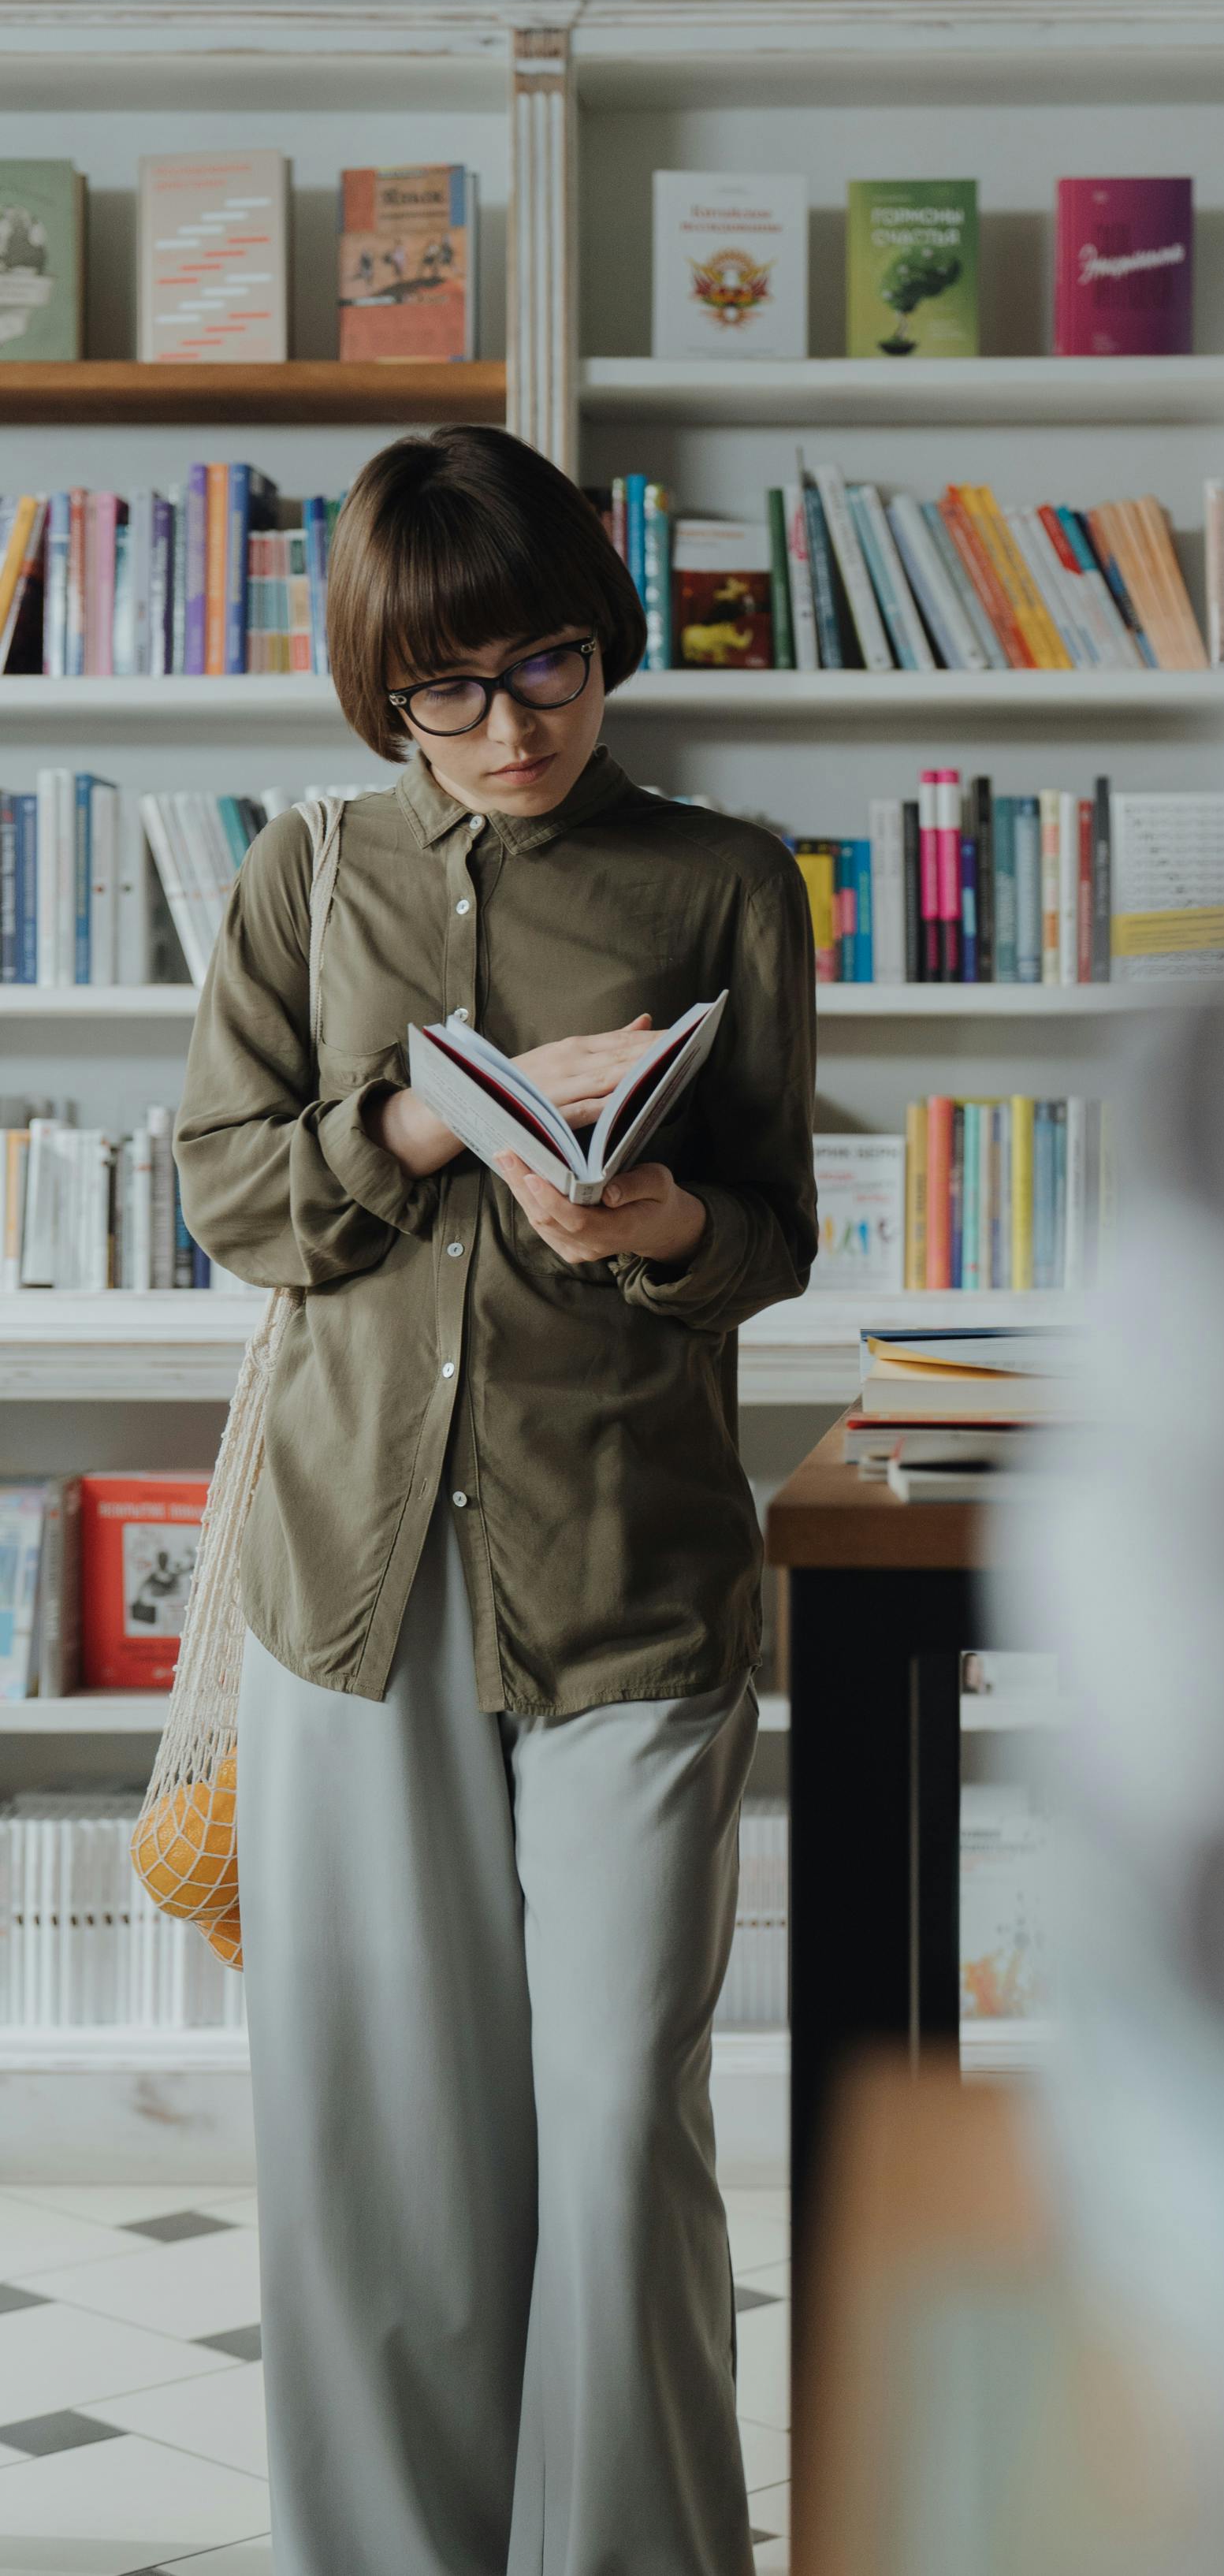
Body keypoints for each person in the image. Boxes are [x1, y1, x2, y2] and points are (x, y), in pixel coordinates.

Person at [174, 423, 817, 2576]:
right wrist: (422, 1133)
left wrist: (650, 1224)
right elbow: (228, 1192)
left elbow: (776, 1231)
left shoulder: (726, 878)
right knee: (384, 2150)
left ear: (603, 637)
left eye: (541, 665)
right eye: (441, 691)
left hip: (630, 1574)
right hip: (355, 1582)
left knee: (621, 2127)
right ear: (380, 693)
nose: (502, 727)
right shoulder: (306, 874)